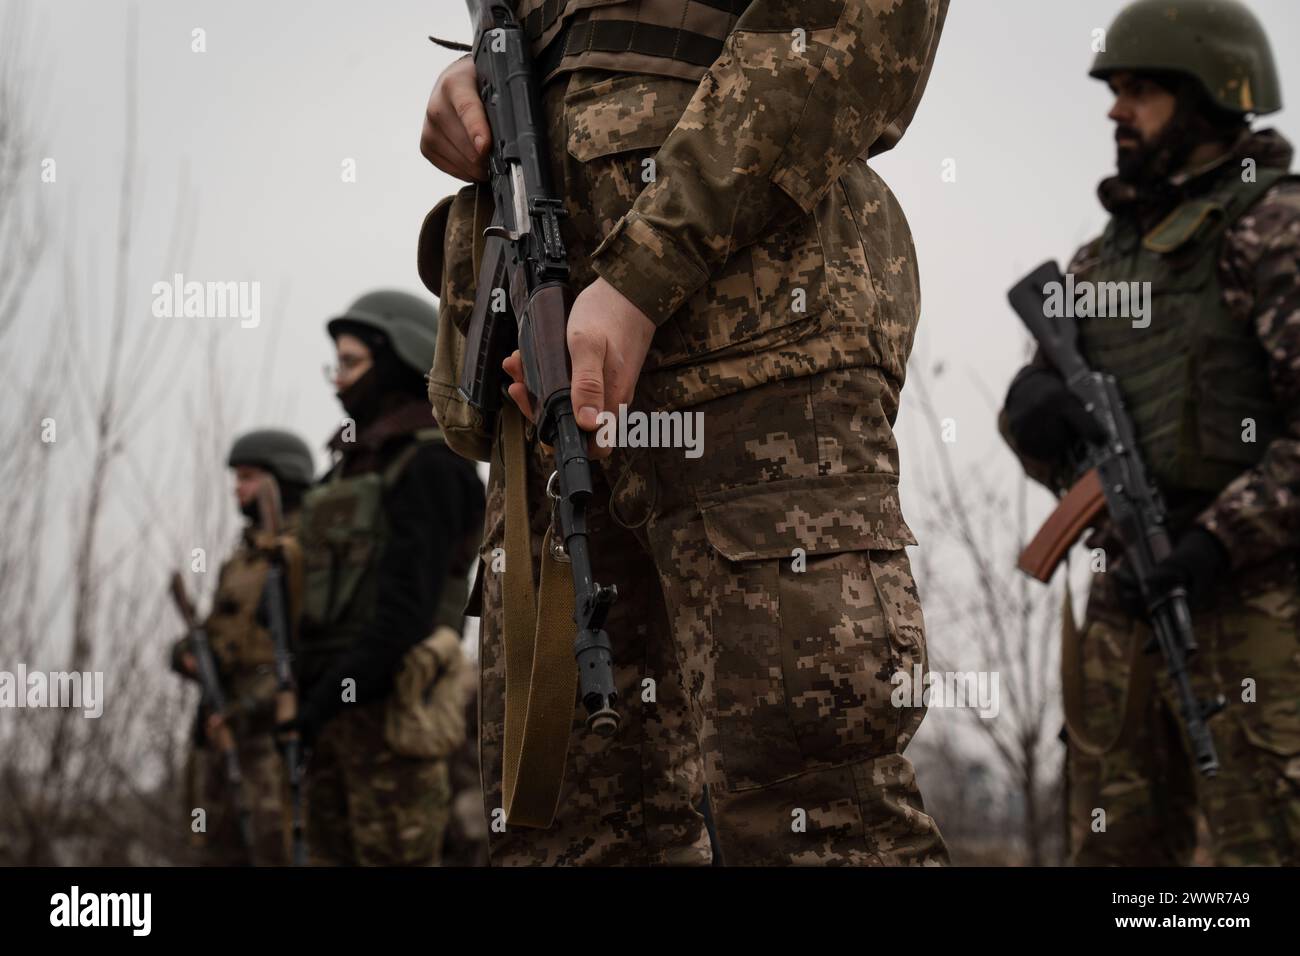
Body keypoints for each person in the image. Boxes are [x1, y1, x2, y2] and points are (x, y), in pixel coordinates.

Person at [419, 0, 951, 865]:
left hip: (757, 341)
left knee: (811, 812)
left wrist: (639, 278)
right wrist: (480, 83)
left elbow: (857, 33)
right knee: (565, 826)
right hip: (552, 353)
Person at [1000, 0, 1300, 865]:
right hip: (1126, 612)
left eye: (1140, 92)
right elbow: (1057, 447)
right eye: (1114, 90)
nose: (1115, 111)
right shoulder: (1103, 260)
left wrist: (1213, 544)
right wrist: (1031, 414)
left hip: (1252, 611)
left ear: (1208, 100)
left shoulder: (1273, 230)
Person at [293, 290, 485, 866]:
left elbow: (405, 613)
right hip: (331, 719)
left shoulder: (431, 463)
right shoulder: (346, 469)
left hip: (396, 720)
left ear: (400, 355)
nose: (339, 381)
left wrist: (323, 701)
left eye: (350, 364)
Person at [171, 428, 314, 866]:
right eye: (237, 477)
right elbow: (216, 634)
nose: (238, 487)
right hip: (224, 732)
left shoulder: (301, 551)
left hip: (274, 740)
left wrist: (252, 704)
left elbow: (308, 650)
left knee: (278, 850)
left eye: (249, 476)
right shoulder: (241, 561)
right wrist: (186, 655)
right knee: (217, 850)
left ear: (281, 479)